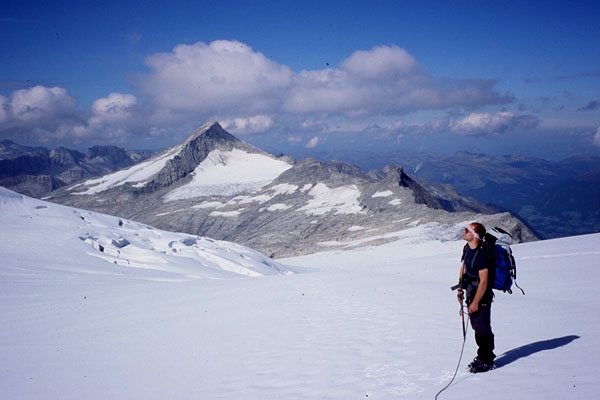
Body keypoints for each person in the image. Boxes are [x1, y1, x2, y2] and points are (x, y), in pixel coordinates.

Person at [457, 222, 496, 373]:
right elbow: (464, 268)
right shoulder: (467, 249)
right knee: (477, 326)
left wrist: (475, 302)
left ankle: (487, 359)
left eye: (468, 230)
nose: (464, 231)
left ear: (475, 235)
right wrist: (460, 288)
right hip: (471, 292)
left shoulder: (481, 254)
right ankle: (482, 357)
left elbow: (484, 280)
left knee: (483, 327)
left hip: (481, 296)